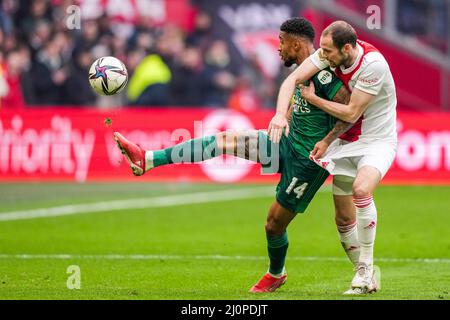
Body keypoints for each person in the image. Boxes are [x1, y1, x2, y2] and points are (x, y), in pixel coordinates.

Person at [113, 18, 353, 293]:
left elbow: (349, 108)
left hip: (307, 162)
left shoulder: (322, 74)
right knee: (223, 139)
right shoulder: (303, 70)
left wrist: (326, 141)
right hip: (284, 141)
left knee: (273, 224)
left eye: (281, 41)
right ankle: (149, 159)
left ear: (296, 43)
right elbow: (302, 104)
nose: (278, 48)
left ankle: (277, 273)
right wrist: (286, 116)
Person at [268, 20, 397, 294]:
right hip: (345, 143)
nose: (322, 56)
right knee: (342, 219)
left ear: (347, 48)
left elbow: (351, 113)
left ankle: (365, 268)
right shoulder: (328, 53)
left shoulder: (373, 64)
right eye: (322, 50)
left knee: (361, 190)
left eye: (327, 51)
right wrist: (281, 115)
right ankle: (366, 275)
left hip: (376, 141)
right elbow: (293, 79)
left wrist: (314, 100)